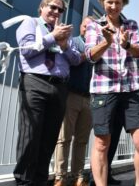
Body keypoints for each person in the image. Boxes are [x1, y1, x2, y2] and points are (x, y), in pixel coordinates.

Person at [85, 0, 139, 186]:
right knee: (102, 144)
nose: (113, 6)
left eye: (118, 2)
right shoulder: (94, 25)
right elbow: (89, 56)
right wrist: (106, 42)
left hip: (130, 90)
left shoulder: (131, 25)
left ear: (124, 4)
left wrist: (127, 44)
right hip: (104, 91)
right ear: (103, 2)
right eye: (110, 2)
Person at [14, 0, 81, 186]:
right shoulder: (30, 23)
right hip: (35, 82)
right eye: (53, 7)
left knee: (49, 137)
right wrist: (53, 37)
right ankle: (24, 181)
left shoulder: (64, 33)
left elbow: (76, 59)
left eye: (60, 10)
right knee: (31, 134)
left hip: (60, 87)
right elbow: (26, 49)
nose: (56, 12)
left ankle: (40, 180)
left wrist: (64, 45)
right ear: (42, 7)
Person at [53, 16, 93, 186]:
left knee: (82, 140)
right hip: (71, 95)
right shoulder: (73, 42)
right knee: (64, 138)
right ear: (81, 27)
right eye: (85, 26)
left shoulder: (98, 46)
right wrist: (92, 52)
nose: (87, 29)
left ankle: (78, 176)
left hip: (90, 98)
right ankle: (60, 177)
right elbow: (73, 59)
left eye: (91, 28)